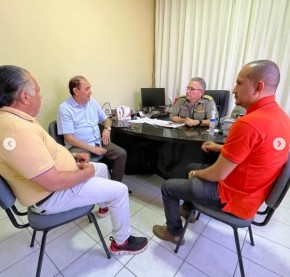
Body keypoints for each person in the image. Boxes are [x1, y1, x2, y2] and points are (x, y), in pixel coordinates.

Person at [0, 65, 148, 255]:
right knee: (119, 190)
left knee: (102, 168)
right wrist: (86, 172)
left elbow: (40, 156)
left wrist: (70, 158)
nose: (41, 96)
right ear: (24, 96)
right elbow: (52, 182)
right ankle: (121, 243)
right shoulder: (17, 130)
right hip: (50, 197)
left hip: (54, 183)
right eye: (37, 91)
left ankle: (104, 206)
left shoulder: (18, 120)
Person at [153, 60, 290, 244]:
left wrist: (196, 174)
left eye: (239, 83)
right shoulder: (282, 117)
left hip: (234, 197)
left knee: (169, 186)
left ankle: (174, 233)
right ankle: (188, 210)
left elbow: (219, 173)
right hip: (254, 194)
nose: (234, 90)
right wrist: (219, 148)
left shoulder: (248, 123)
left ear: (258, 87)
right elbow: (253, 153)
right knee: (191, 165)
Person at [57, 76, 131, 218]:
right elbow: (69, 138)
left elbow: (106, 119)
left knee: (121, 153)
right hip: (79, 147)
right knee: (85, 164)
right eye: (87, 88)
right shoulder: (65, 108)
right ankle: (95, 201)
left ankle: (113, 190)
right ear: (75, 91)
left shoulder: (92, 103)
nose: (91, 91)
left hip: (98, 141)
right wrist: (92, 149)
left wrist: (106, 129)